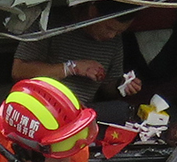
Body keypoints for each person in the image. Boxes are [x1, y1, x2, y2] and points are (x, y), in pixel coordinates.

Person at [13, 10, 146, 111]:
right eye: (109, 28)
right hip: (40, 108)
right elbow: (19, 71)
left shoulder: (114, 41)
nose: (112, 35)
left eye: (119, 32)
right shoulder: (50, 22)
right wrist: (71, 68)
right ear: (92, 11)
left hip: (81, 114)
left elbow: (107, 88)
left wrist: (122, 86)